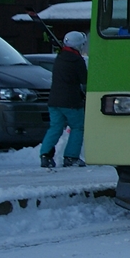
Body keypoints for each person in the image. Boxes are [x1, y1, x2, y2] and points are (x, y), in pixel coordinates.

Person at [40, 31, 88, 168]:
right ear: (79, 45)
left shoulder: (59, 57)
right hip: (71, 101)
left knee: (55, 127)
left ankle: (45, 155)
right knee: (77, 127)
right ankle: (71, 157)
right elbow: (84, 79)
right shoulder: (77, 60)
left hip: (54, 100)